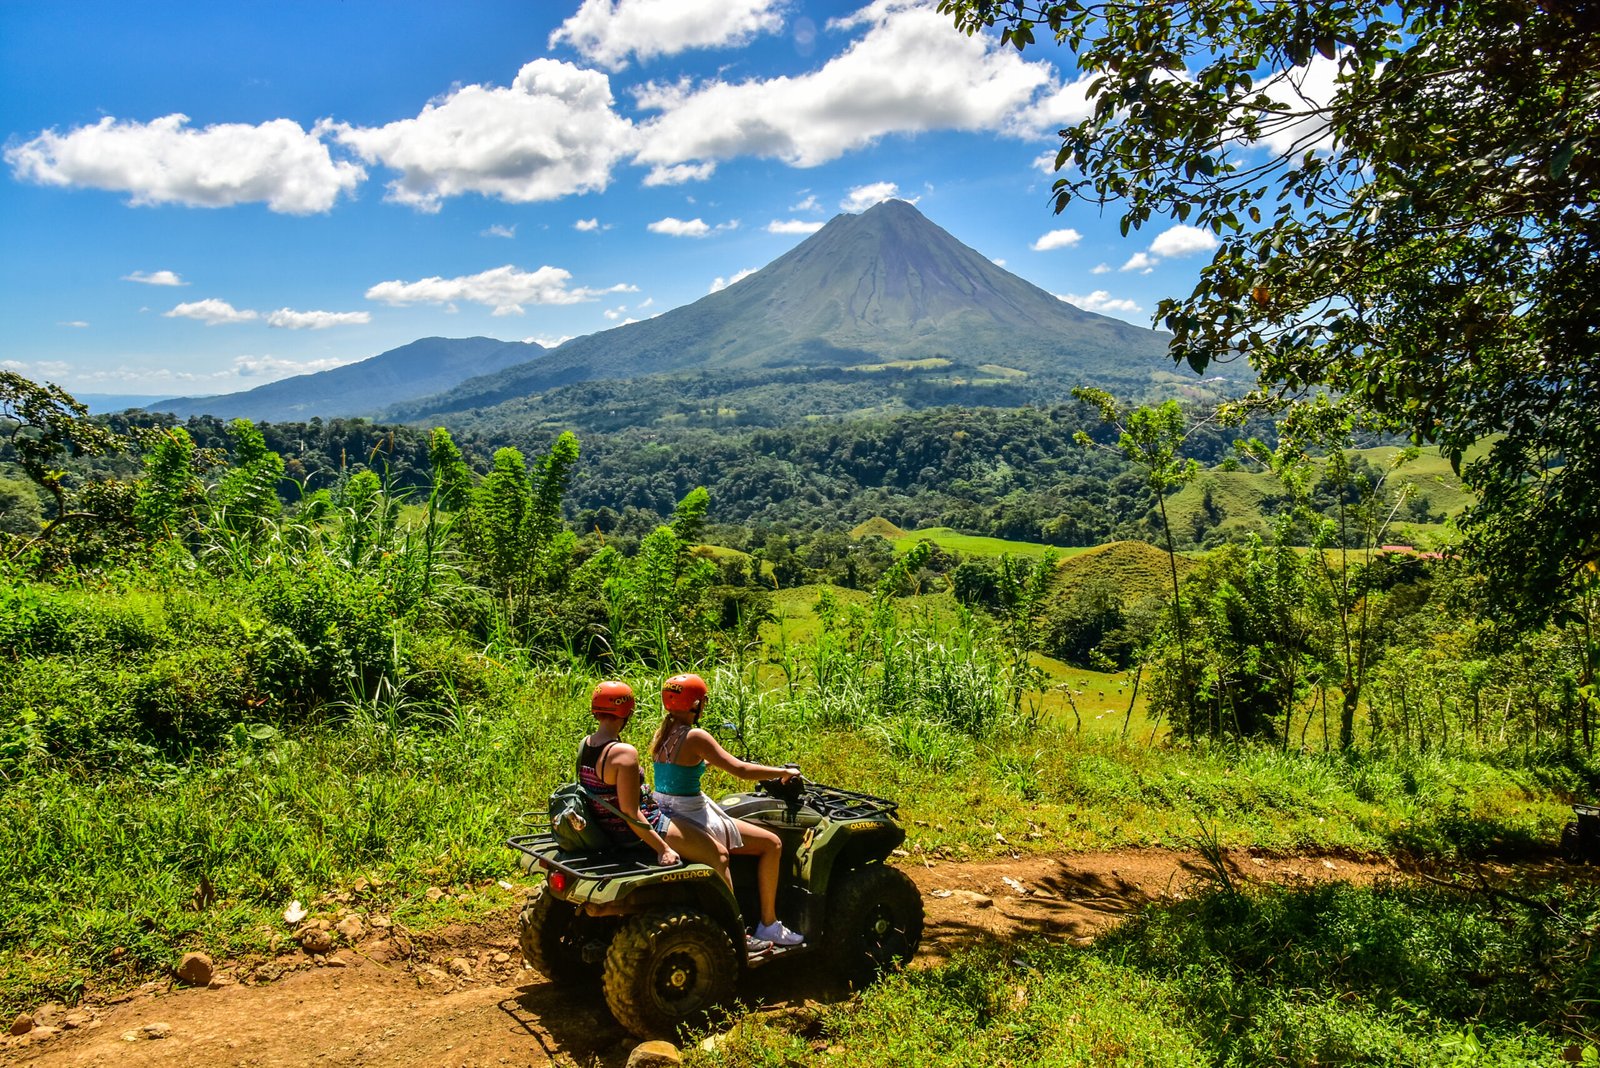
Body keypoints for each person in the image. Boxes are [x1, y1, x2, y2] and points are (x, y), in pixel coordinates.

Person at [649, 672, 804, 948]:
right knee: (771, 844)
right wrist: (783, 771)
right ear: (694, 704)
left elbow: (677, 771)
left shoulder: (664, 733)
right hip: (690, 812)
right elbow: (740, 769)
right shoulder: (695, 735)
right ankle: (758, 927)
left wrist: (703, 764)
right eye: (702, 701)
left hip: (666, 810)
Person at [579, 681, 679, 867]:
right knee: (719, 853)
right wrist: (662, 849)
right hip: (632, 831)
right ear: (627, 713)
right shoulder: (623, 753)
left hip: (604, 829)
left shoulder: (586, 743)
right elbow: (630, 812)